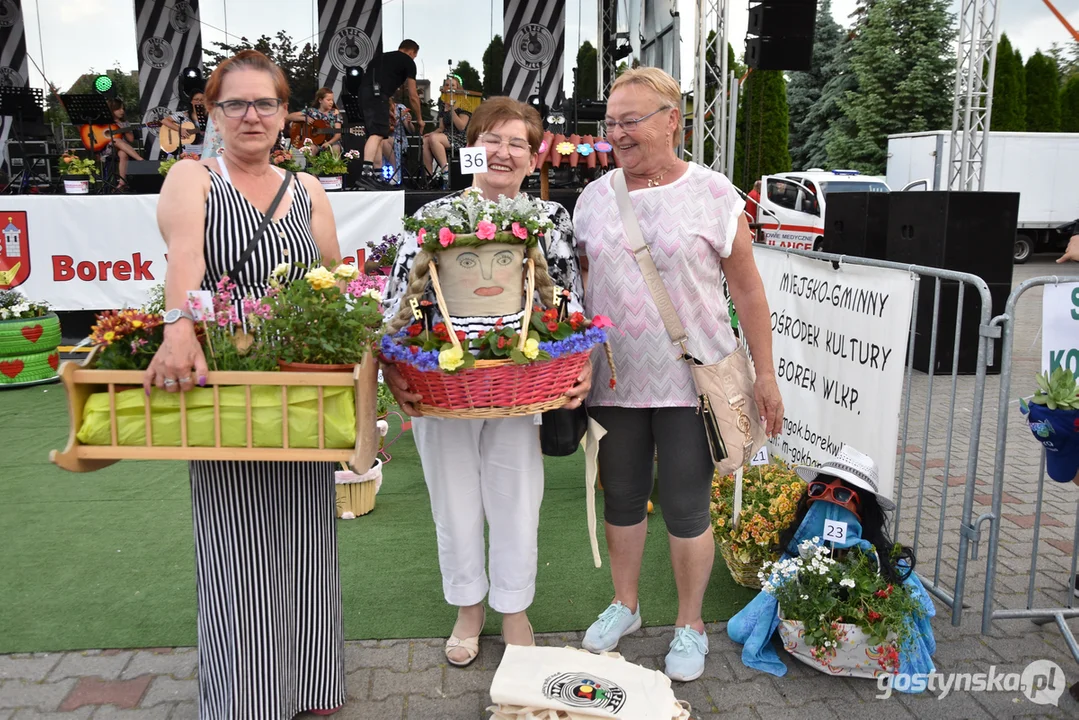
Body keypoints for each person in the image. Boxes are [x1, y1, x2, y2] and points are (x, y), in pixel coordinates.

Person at [141, 50, 346, 719]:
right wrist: (178, 327)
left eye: (265, 103)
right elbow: (186, 258)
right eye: (235, 104)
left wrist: (354, 382)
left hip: (297, 383)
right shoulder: (192, 177)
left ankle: (313, 684)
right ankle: (247, 696)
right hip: (226, 380)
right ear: (213, 112)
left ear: (287, 114)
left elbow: (333, 284)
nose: (251, 116)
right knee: (238, 538)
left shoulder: (307, 190)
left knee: (309, 531)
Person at [572, 67, 784, 683]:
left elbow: (747, 291)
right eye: (611, 123)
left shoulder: (715, 193)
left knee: (689, 507)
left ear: (672, 120)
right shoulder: (592, 198)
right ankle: (626, 604)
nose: (618, 133)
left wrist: (764, 374)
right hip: (614, 381)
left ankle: (689, 623)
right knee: (621, 498)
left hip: (693, 383)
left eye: (630, 120)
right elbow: (581, 290)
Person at [380, 97, 590, 667]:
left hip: (521, 385)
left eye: (517, 143)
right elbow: (397, 300)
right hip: (442, 385)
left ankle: (515, 610)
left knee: (517, 497)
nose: (503, 152)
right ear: (471, 148)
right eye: (491, 140)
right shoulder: (432, 217)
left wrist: (579, 361)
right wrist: (396, 367)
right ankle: (468, 610)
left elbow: (570, 302)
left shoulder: (551, 220)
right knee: (453, 500)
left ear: (533, 155)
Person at [360, 39, 426, 180]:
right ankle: (366, 174)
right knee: (377, 134)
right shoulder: (408, 62)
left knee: (377, 135)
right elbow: (413, 95)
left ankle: (377, 176)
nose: (414, 58)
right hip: (378, 96)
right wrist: (419, 119)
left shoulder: (380, 58)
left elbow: (377, 81)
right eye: (415, 55)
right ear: (411, 52)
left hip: (365, 94)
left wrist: (388, 106)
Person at [423, 75, 471, 180]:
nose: (449, 87)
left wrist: (451, 110)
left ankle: (446, 171)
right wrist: (432, 133)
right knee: (426, 140)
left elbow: (461, 126)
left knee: (434, 138)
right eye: (447, 85)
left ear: (458, 88)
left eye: (452, 85)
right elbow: (441, 127)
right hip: (446, 135)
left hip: (460, 137)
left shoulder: (465, 103)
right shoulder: (442, 103)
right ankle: (428, 176)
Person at [100, 98, 144, 188]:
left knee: (123, 153)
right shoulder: (104, 122)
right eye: (119, 109)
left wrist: (124, 129)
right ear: (111, 109)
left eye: (123, 109)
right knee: (115, 140)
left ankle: (122, 182)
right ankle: (140, 160)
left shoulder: (125, 122)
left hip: (123, 149)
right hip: (108, 149)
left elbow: (131, 139)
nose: (122, 111)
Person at [286, 87, 342, 151]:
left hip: (331, 141)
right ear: (320, 100)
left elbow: (338, 134)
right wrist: (304, 118)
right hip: (314, 141)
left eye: (332, 100)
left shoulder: (335, 113)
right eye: (328, 100)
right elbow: (289, 116)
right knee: (311, 149)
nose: (331, 102)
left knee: (336, 147)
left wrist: (328, 143)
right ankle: (311, 161)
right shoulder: (312, 111)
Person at [160, 90, 207, 155]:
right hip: (189, 151)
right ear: (191, 101)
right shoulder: (184, 115)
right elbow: (164, 121)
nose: (199, 102)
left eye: (202, 100)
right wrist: (180, 130)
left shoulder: (210, 116)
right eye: (196, 99)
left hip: (205, 149)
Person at [382, 96, 414, 184]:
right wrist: (397, 117)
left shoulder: (400, 108)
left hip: (400, 140)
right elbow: (384, 129)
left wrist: (409, 123)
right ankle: (383, 175)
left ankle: (395, 173)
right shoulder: (380, 109)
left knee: (384, 142)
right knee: (383, 142)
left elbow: (411, 130)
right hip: (385, 139)